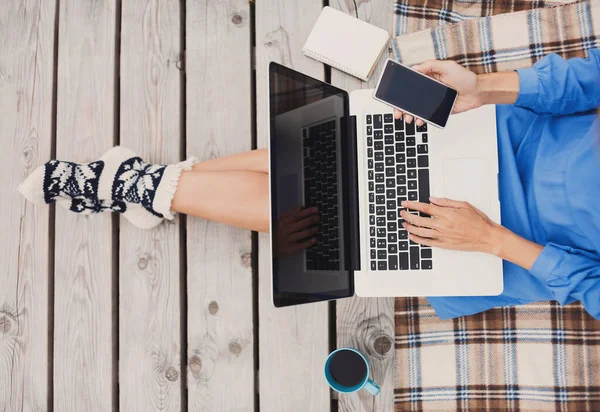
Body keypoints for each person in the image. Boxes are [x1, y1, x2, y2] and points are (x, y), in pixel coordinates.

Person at [19, 51, 600, 320]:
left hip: (501, 240)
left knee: (328, 208)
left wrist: (490, 239)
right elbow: (588, 77)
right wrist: (486, 88)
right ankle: (145, 185)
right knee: (337, 150)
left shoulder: (495, 241)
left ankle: (139, 184)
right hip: (505, 133)